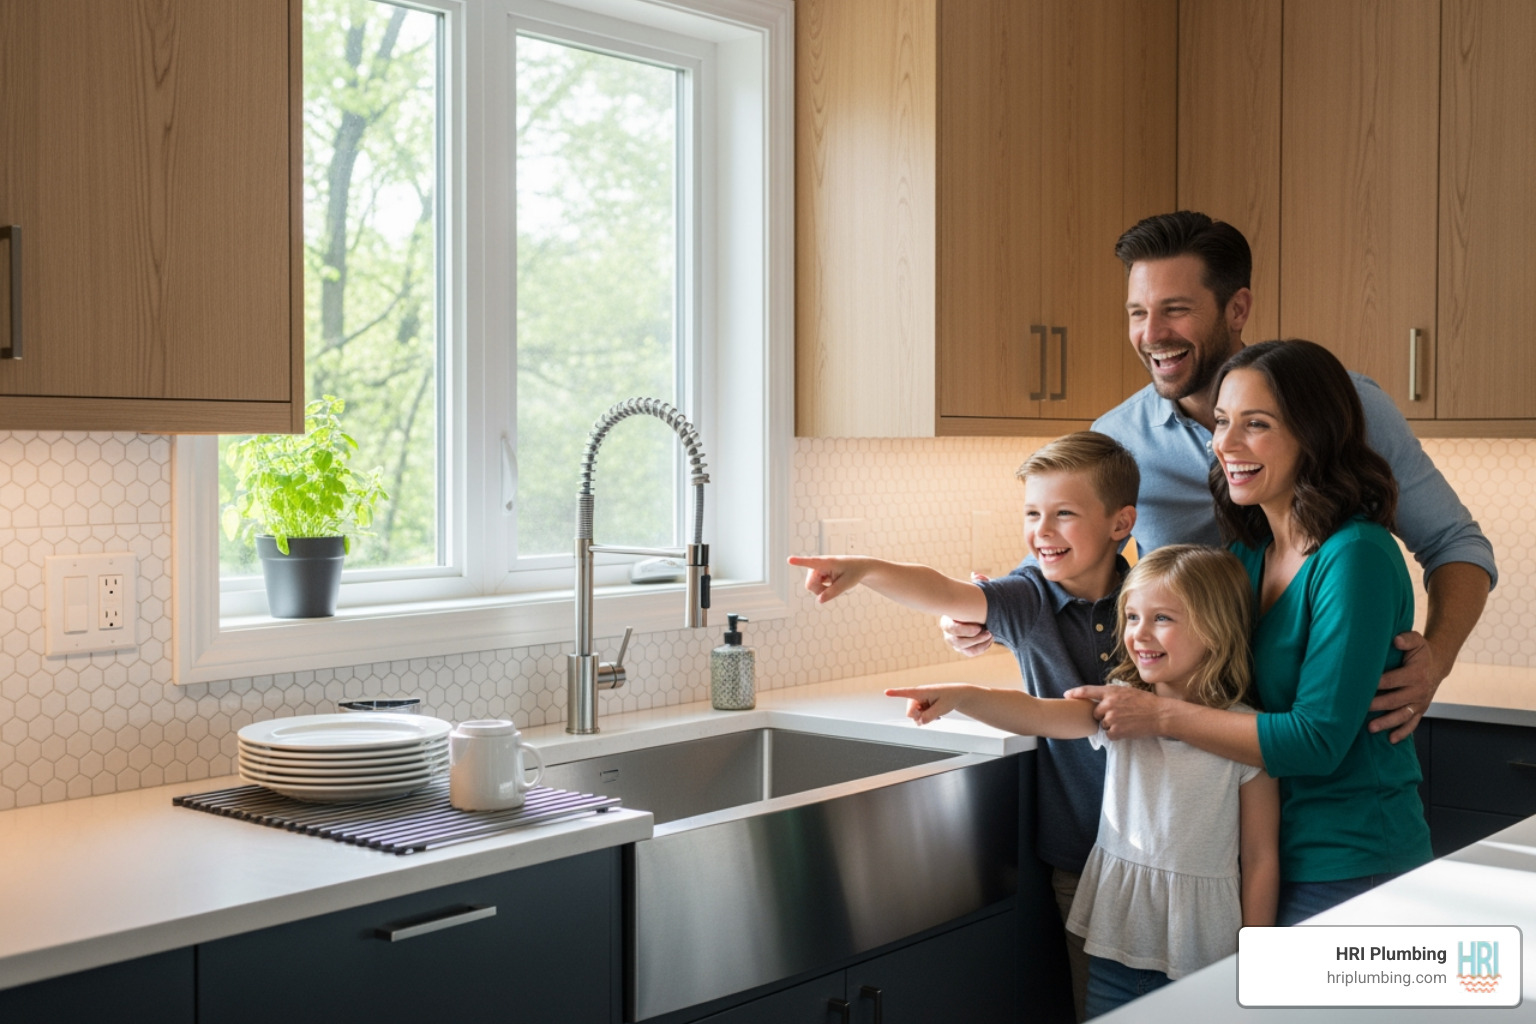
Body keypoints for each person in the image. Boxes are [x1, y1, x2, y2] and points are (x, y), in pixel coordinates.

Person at [945, 211, 1496, 747]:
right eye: (1137, 312)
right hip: (1196, 739)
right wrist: (992, 608)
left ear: (1237, 309)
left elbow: (1454, 543)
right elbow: (1081, 550)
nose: (1151, 334)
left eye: (1175, 310)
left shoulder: (1346, 410)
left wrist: (1438, 657)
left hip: (1299, 727)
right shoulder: (1119, 436)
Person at [1070, 340, 1434, 926]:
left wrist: (1158, 716)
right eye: (1221, 421)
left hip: (1351, 862)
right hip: (1261, 857)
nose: (1226, 444)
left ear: (1313, 434)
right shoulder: (1249, 554)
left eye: (1256, 424)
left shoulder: (1356, 556)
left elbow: (1316, 741)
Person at [790, 431, 1136, 1021]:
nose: (1042, 531)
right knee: (1099, 1005)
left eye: (1064, 514)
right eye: (1032, 513)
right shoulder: (1030, 599)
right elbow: (944, 592)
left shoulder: (1150, 591)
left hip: (1165, 847)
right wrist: (867, 569)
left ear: (1119, 523)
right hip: (1081, 853)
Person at [879, 546, 1279, 1019]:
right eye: (1132, 616)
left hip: (1202, 953)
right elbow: (1036, 713)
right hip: (1112, 945)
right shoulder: (1118, 707)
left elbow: (1260, 859)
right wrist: (962, 696)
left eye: (1162, 618)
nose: (1139, 634)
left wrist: (1256, 964)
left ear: (1215, 630)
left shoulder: (1245, 734)